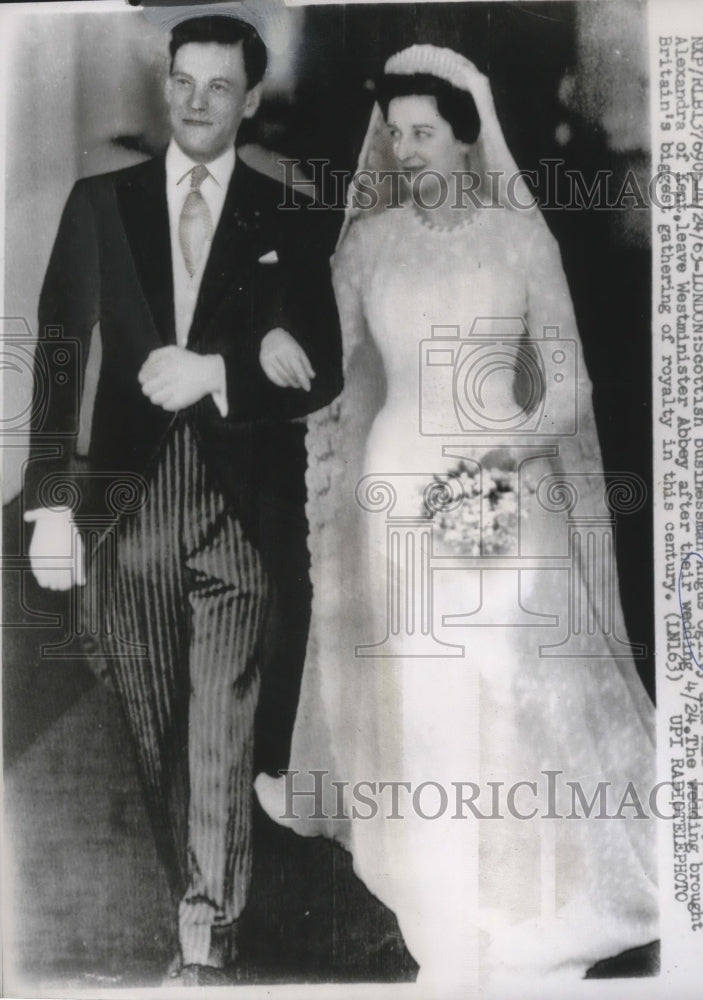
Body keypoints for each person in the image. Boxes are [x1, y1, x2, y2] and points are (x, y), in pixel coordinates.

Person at [256, 44, 658, 987]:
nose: (406, 152)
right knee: (423, 695)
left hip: (501, 483)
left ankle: (525, 890)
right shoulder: (366, 244)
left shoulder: (521, 240)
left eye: (425, 132)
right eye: (394, 135)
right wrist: (272, 327)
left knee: (510, 678)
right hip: (393, 485)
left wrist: (495, 455)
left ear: (469, 136)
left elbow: (569, 389)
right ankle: (447, 893)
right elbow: (332, 371)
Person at [23, 14, 342, 984]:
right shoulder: (100, 204)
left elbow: (320, 367)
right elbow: (58, 353)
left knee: (220, 725)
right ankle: (199, 888)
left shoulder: (283, 212)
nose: (197, 105)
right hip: (125, 510)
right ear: (166, 85)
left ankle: (207, 934)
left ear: (250, 100)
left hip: (239, 510)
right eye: (183, 83)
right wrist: (46, 506)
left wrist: (219, 370)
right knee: (156, 721)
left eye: (219, 88)